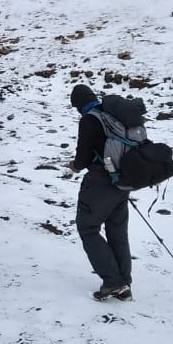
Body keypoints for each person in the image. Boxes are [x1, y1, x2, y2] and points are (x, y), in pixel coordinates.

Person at [69, 83, 132, 301]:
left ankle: (113, 281)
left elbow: (83, 157)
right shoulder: (113, 115)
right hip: (123, 182)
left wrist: (75, 166)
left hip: (99, 183)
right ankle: (124, 283)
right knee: (117, 231)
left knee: (88, 228)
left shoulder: (89, 119)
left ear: (78, 104)